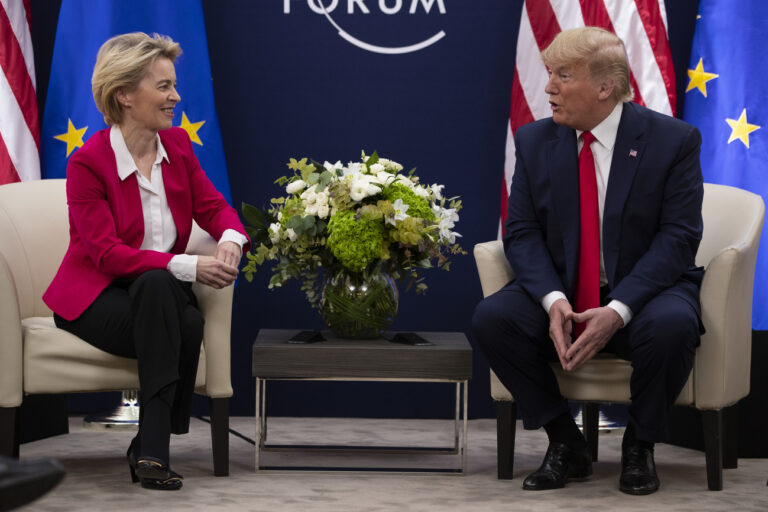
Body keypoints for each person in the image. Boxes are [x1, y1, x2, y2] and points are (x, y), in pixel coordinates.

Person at [473, 27, 704, 495]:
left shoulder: (672, 141)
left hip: (645, 290)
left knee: (672, 326)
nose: (549, 88)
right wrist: (553, 299)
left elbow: (679, 237)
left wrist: (619, 309)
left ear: (605, 88)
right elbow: (521, 233)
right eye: (549, 74)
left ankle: (640, 446)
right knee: (494, 318)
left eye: (563, 75)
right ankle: (566, 441)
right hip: (564, 286)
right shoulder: (536, 141)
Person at [43, 32, 248, 491]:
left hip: (154, 297)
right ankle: (153, 449)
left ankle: (148, 448)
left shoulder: (177, 146)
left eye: (173, 85)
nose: (176, 96)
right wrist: (193, 267)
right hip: (96, 299)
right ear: (124, 94)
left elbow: (214, 208)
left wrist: (232, 238)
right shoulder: (88, 163)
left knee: (176, 309)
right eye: (163, 86)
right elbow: (106, 253)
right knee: (172, 304)